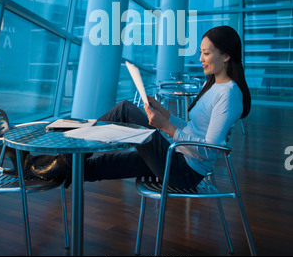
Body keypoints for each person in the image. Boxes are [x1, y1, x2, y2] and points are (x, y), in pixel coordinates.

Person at [23, 25, 251, 189]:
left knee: (125, 109)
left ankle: (57, 160)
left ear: (227, 56)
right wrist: (165, 114)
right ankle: (33, 168)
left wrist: (167, 128)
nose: (200, 58)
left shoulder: (229, 94)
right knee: (93, 167)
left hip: (185, 170)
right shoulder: (213, 86)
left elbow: (209, 151)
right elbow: (194, 129)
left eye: (206, 53)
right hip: (177, 157)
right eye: (200, 52)